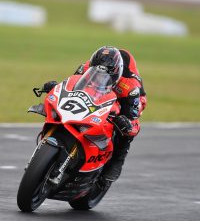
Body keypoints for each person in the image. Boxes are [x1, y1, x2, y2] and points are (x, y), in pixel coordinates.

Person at [42, 46, 147, 183]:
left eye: (104, 77)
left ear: (115, 74)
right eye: (95, 73)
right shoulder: (85, 67)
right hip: (97, 94)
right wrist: (55, 87)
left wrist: (126, 121)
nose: (99, 78)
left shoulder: (130, 87)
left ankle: (117, 160)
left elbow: (134, 120)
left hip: (131, 102)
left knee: (127, 128)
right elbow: (72, 86)